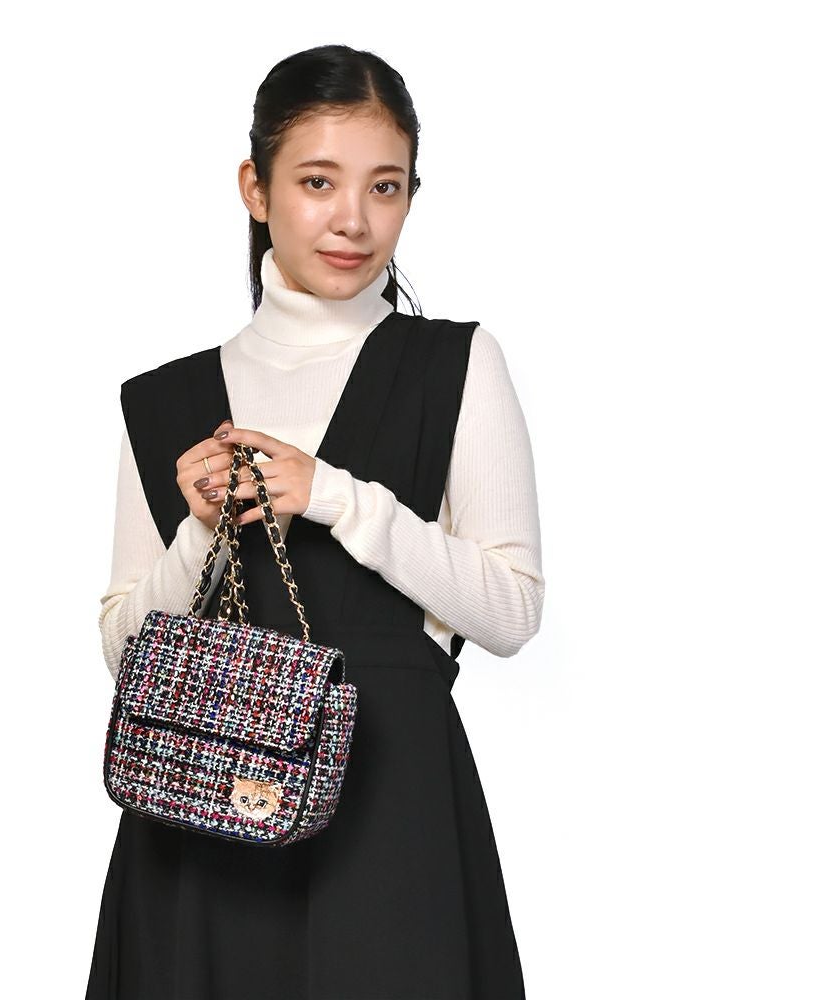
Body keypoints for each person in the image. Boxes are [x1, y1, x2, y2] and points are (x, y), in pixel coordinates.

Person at [86, 43, 545, 1000]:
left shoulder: (455, 366)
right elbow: (128, 657)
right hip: (195, 838)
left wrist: (336, 496)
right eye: (317, 182)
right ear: (255, 189)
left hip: (392, 824)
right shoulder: (161, 400)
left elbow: (510, 612)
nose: (353, 220)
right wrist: (198, 531)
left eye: (386, 186)